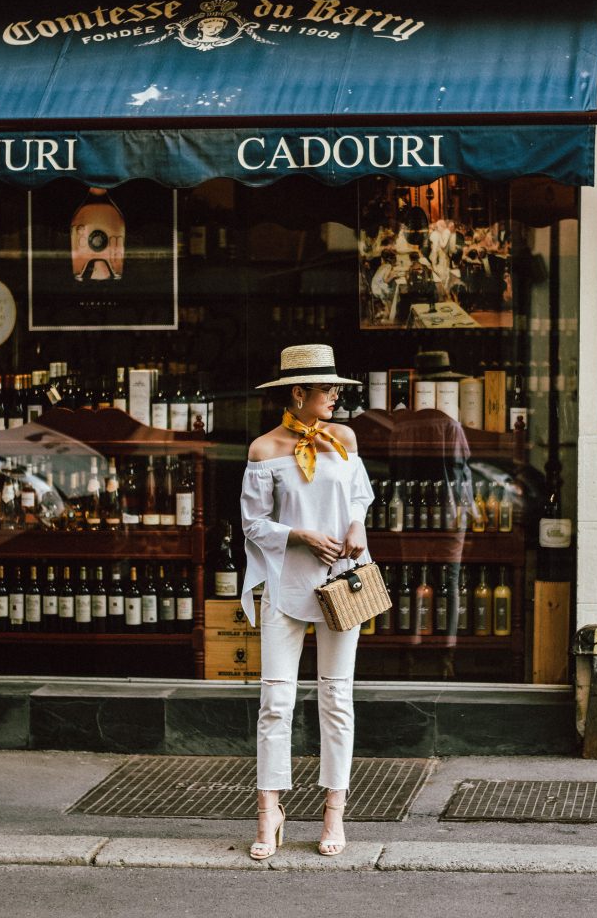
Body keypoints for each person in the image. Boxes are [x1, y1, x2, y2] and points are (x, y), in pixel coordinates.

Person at [241, 344, 374, 861]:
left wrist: (358, 524)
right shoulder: (264, 450)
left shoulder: (344, 438)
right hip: (285, 585)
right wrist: (300, 534)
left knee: (337, 698)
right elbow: (253, 524)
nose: (336, 395)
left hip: (343, 583)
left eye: (337, 387)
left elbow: (359, 494)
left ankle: (334, 810)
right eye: (327, 388)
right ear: (298, 393)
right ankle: (269, 810)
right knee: (276, 701)